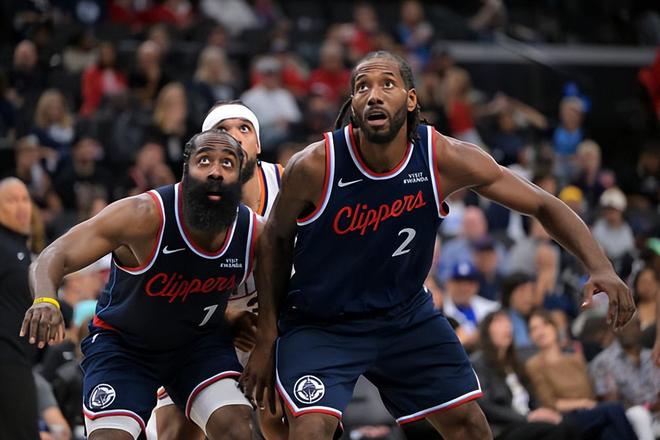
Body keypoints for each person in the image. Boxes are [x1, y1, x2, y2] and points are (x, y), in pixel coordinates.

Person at [242, 50, 634, 440]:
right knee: (309, 430)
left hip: (403, 315)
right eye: (362, 87)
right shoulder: (315, 165)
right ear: (353, 104)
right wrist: (267, 336)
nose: (373, 95)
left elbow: (543, 204)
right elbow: (274, 240)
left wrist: (600, 266)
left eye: (387, 84)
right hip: (323, 320)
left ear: (411, 99)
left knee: (470, 425)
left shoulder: (442, 157)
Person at [20, 130, 257, 440]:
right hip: (125, 347)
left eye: (227, 163)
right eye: (204, 161)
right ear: (185, 170)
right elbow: (54, 254)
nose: (215, 171)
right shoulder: (142, 215)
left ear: (241, 176)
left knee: (237, 429)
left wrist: (252, 331)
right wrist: (45, 300)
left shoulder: (253, 231)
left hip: (198, 347)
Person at [152, 101, 286, 440]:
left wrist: (269, 332)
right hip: (205, 325)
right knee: (175, 432)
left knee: (281, 416)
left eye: (244, 128)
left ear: (258, 144)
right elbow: (167, 290)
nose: (235, 136)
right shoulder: (186, 202)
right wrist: (225, 315)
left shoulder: (288, 182)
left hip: (276, 323)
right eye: (223, 130)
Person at [526, 310, 637, 440]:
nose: (540, 331)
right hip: (565, 416)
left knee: (609, 432)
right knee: (613, 409)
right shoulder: (534, 364)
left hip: (591, 411)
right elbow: (550, 403)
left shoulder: (574, 359)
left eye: (545, 324)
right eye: (534, 329)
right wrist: (583, 403)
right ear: (531, 337)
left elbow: (591, 390)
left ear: (554, 327)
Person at [471, 311, 576, 440]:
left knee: (567, 425)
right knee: (555, 430)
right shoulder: (478, 363)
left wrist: (542, 412)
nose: (507, 326)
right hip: (504, 428)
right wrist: (527, 417)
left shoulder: (515, 362)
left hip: (527, 422)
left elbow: (533, 398)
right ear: (486, 331)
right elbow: (486, 407)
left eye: (508, 322)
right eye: (499, 322)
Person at [0, 177, 39, 440]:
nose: (21, 206)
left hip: (19, 357)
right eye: (12, 200)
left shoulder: (18, 247)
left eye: (25, 199)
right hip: (7, 359)